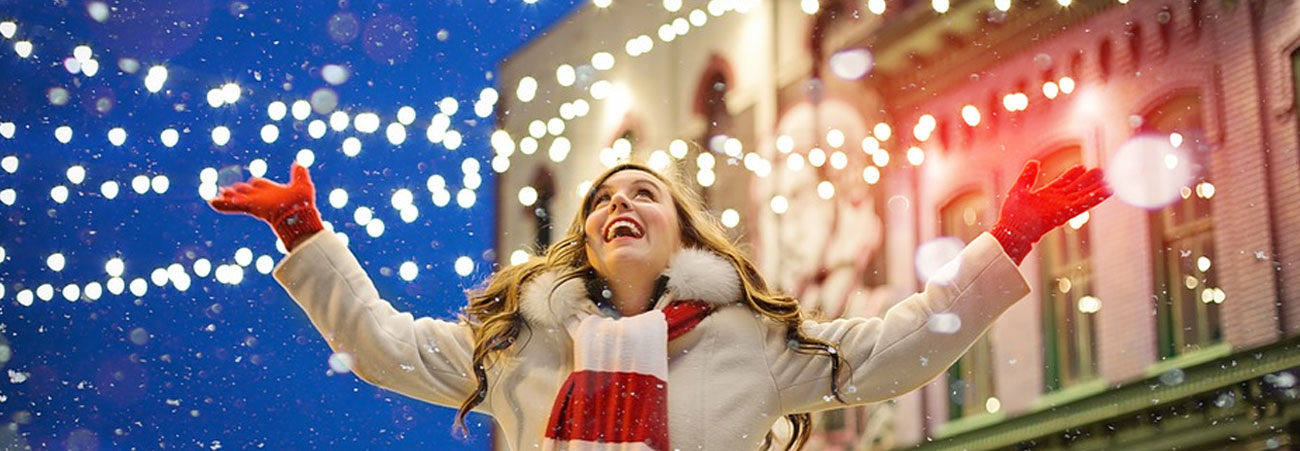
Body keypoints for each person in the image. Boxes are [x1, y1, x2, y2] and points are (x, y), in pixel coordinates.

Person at [209, 159, 1110, 450]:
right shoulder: (520, 344)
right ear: (587, 237)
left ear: (682, 234)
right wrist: (304, 233)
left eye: (644, 194)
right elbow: (382, 346)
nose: (619, 205)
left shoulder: (750, 340)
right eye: (603, 199)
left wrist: (1009, 241)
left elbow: (890, 352)